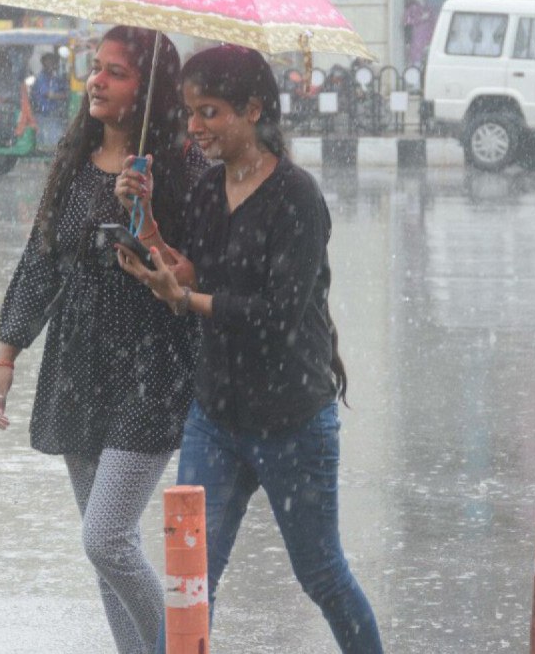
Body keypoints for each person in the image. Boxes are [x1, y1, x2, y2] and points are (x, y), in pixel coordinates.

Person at [114, 45, 384, 653]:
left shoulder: (297, 199)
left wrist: (185, 302)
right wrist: (145, 219)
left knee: (321, 574)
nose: (196, 128)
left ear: (253, 110)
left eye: (209, 112)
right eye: (190, 113)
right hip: (215, 415)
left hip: (292, 417)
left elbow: (273, 311)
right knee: (190, 581)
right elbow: (193, 272)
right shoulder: (210, 188)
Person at [0, 26, 207, 654]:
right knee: (106, 550)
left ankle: (183, 646)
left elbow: (195, 275)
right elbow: (41, 263)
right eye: (95, 68)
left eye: (116, 72)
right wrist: (7, 355)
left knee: (105, 537)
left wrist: (148, 218)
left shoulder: (182, 168)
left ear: (148, 90)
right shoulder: (75, 162)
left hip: (152, 368)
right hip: (78, 365)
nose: (96, 82)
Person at [30, 51, 70, 150]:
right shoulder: (40, 78)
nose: (51, 64)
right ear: (44, 63)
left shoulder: (56, 78)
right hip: (43, 116)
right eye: (49, 61)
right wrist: (64, 95)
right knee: (50, 143)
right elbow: (49, 94)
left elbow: (67, 89)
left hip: (55, 115)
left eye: (53, 62)